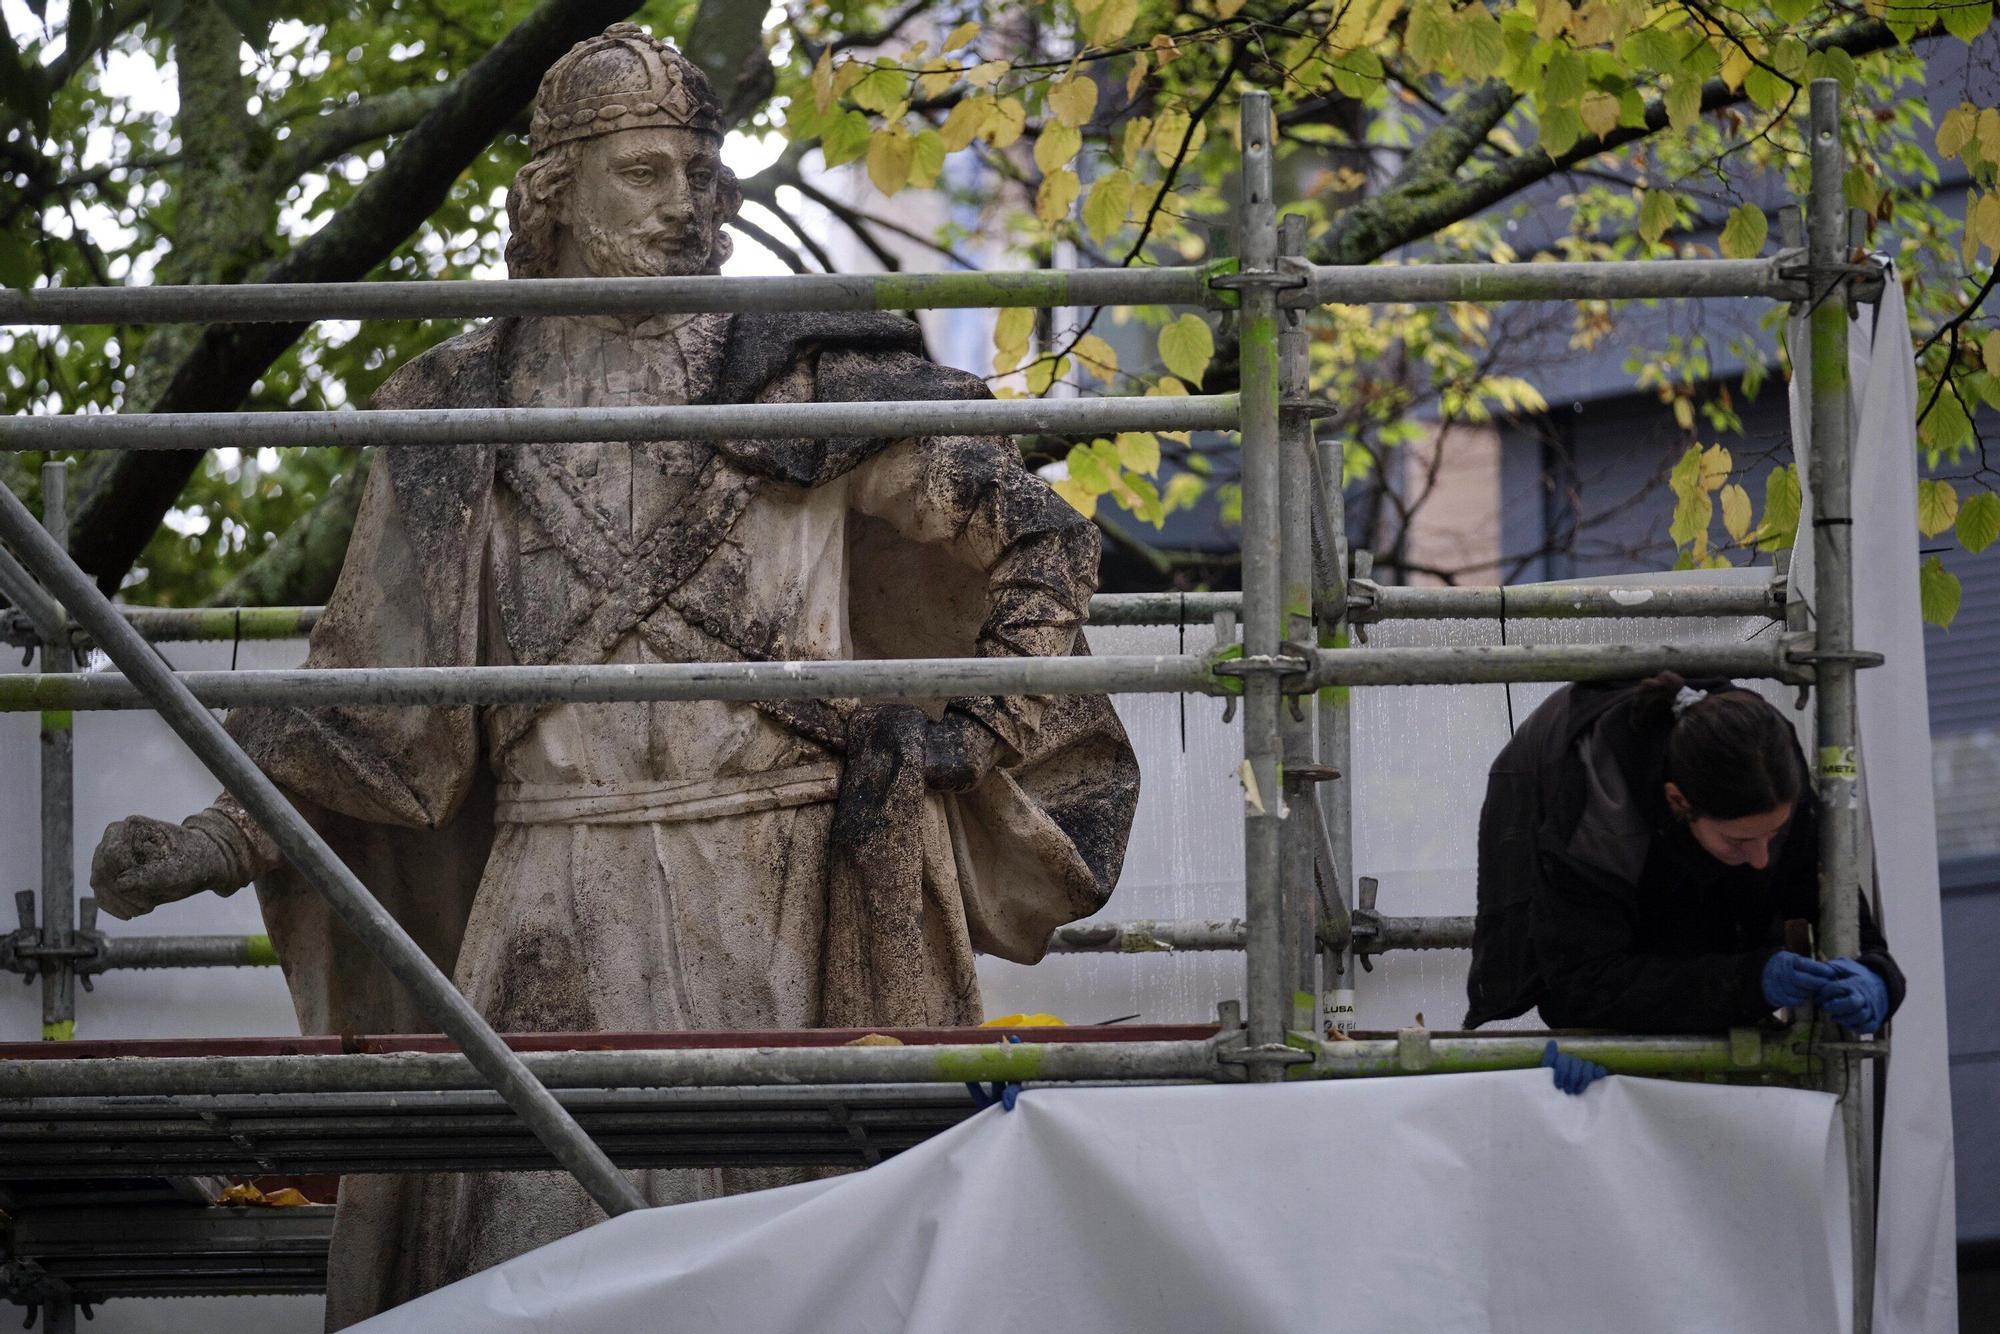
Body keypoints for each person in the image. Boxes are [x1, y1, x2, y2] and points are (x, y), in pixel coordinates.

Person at [85, 24, 1138, 1326]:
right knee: (521, 1280)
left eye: (703, 174)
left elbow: (1045, 538)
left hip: (784, 901)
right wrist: (214, 839)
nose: (685, 204)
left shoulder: (815, 381)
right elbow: (374, 706)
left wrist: (978, 724)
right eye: (644, 171)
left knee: (802, 1273)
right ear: (556, 193)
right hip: (548, 909)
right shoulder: (459, 408)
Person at [1464, 671, 1903, 1093]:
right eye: (1739, 840)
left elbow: (1840, 913)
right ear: (1679, 801)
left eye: (1775, 834)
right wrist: (1750, 982)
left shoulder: (1772, 773)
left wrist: (1877, 977)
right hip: (1613, 926)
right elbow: (1583, 986)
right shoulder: (1599, 817)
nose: (1761, 858)